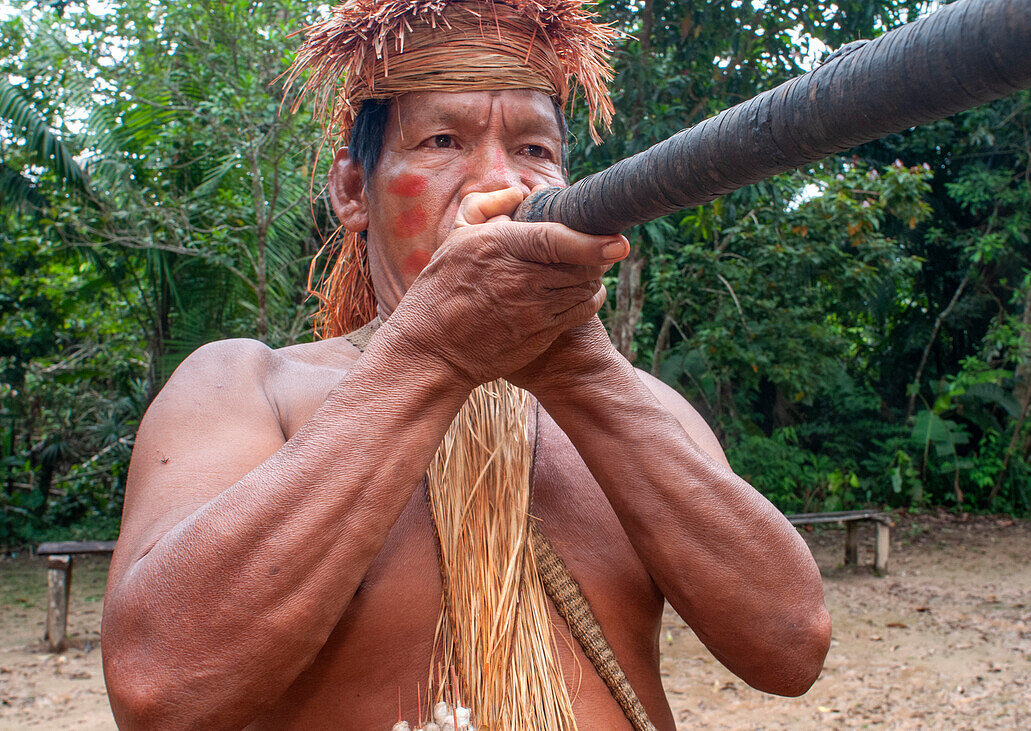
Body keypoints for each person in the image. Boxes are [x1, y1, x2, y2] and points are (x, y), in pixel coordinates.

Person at [101, 1, 830, 728]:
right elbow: (157, 687)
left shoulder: (643, 407)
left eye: (535, 151)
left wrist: (582, 374)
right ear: (353, 190)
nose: (497, 185)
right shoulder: (246, 387)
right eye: (444, 140)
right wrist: (431, 353)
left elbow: (791, 648)